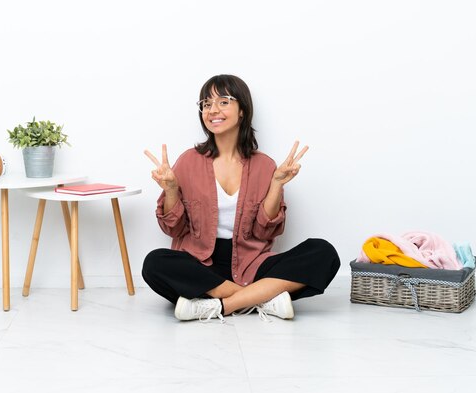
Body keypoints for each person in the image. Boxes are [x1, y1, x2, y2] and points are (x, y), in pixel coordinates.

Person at [143, 74, 340, 322]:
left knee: (324, 252)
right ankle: (262, 300)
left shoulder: (265, 165)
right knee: (155, 263)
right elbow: (174, 229)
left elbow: (265, 233)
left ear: (242, 111)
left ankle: (219, 306)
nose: (212, 109)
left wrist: (276, 184)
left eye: (223, 101)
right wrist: (171, 189)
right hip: (200, 264)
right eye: (206, 103)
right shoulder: (188, 162)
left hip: (252, 264)